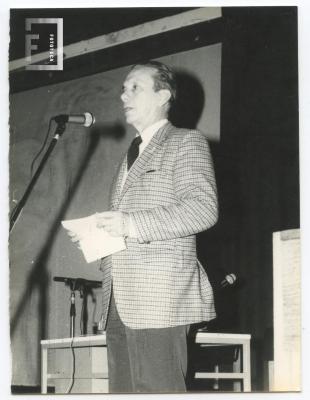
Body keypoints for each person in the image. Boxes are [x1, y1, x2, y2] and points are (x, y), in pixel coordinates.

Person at [76, 61, 218, 392]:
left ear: (162, 95)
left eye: (134, 87)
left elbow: (203, 209)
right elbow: (129, 226)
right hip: (118, 302)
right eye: (123, 88)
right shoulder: (131, 154)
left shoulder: (185, 142)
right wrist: (95, 235)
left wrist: (128, 223)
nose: (123, 94)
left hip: (159, 300)